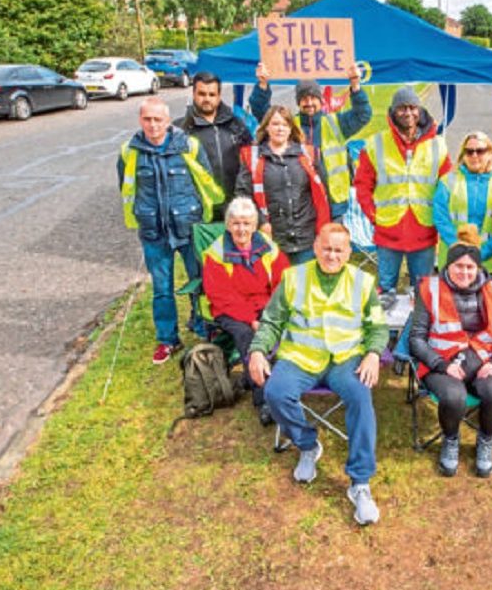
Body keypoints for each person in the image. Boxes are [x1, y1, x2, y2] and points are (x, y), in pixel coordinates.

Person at [248, 223, 388, 526]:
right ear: (315, 247)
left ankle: (360, 483)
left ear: (349, 253)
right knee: (275, 393)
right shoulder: (293, 277)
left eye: (339, 250)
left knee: (361, 397)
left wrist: (374, 354)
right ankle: (308, 445)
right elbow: (271, 321)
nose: (332, 255)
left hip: (345, 359)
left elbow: (378, 326)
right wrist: (257, 350)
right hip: (301, 356)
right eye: (326, 248)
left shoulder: (363, 282)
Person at [118, 97, 224, 364]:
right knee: (162, 289)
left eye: (158, 119)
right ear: (140, 120)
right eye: (147, 119)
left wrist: (202, 219)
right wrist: (142, 214)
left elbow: (206, 181)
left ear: (168, 121)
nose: (153, 125)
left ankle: (203, 327)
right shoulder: (130, 152)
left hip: (189, 227)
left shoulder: (189, 146)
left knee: (200, 281)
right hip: (154, 232)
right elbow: (126, 186)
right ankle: (168, 339)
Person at [409, 227, 492, 478]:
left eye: (470, 267)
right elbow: (416, 339)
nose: (464, 272)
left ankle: (486, 441)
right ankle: (451, 440)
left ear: (477, 268)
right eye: (458, 266)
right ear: (448, 265)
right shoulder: (430, 289)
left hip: (483, 359)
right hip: (441, 361)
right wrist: (442, 365)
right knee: (454, 396)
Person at [355, 86, 452, 303]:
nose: (408, 113)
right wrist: (374, 216)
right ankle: (385, 324)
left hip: (424, 230)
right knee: (385, 291)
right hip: (388, 230)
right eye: (402, 108)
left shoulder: (438, 145)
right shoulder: (376, 144)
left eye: (412, 107)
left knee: (422, 293)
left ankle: (417, 324)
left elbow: (447, 186)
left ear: (419, 110)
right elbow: (362, 185)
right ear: (393, 112)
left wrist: (440, 218)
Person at [202, 196, 289, 425]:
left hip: (265, 304)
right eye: (236, 223)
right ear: (228, 225)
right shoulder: (216, 253)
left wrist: (273, 313)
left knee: (290, 326)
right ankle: (264, 400)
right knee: (248, 337)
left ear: (254, 225)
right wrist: (251, 319)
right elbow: (221, 296)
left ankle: (286, 383)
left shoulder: (267, 246)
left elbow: (283, 280)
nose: (241, 229)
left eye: (247, 223)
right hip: (231, 310)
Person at [249, 62, 371, 220]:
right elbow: (261, 111)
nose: (309, 103)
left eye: (313, 98)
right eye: (304, 99)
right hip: (301, 206)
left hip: (334, 205)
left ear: (321, 100)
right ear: (298, 103)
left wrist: (355, 85)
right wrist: (262, 85)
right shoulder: (290, 125)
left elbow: (363, 114)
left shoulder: (336, 123)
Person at [235, 105, 330, 265]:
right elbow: (243, 195)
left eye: (285, 124)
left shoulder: (309, 154)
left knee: (303, 279)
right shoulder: (252, 156)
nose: (280, 129)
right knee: (276, 280)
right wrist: (261, 222)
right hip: (271, 237)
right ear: (266, 127)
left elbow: (323, 192)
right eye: (275, 124)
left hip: (306, 237)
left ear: (291, 128)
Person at [175, 71, 252, 220]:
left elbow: (250, 163)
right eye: (202, 94)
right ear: (193, 94)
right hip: (198, 211)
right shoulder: (180, 130)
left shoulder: (236, 125)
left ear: (219, 96)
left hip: (234, 209)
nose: (207, 99)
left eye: (212, 94)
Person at [433, 131, 492, 275]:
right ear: (463, 155)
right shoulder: (448, 181)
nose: (474, 155)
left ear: (490, 153)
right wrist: (460, 249)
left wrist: (485, 251)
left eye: (480, 151)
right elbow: (440, 218)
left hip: (489, 262)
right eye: (469, 152)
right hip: (454, 260)